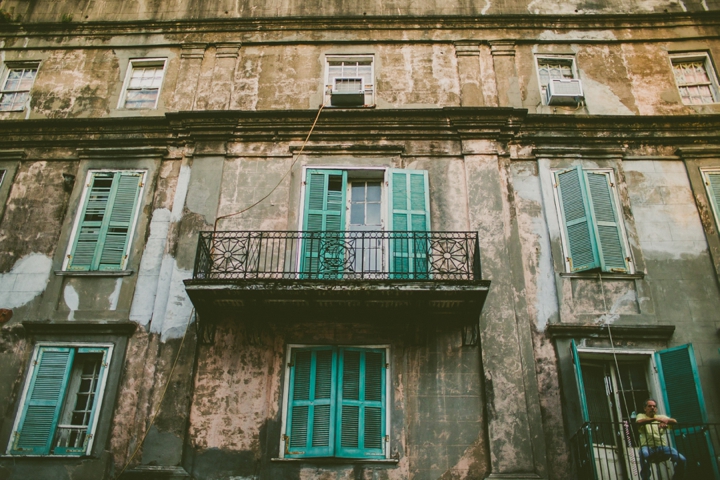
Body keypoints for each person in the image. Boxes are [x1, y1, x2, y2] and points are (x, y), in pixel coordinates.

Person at [635, 398, 686, 480]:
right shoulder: (641, 416)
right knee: (644, 454)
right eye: (649, 406)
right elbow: (639, 422)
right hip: (647, 447)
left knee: (682, 459)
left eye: (654, 406)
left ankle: (677, 478)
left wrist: (665, 422)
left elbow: (674, 421)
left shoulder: (661, 417)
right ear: (645, 408)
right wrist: (656, 419)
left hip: (662, 446)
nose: (652, 408)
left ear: (656, 409)